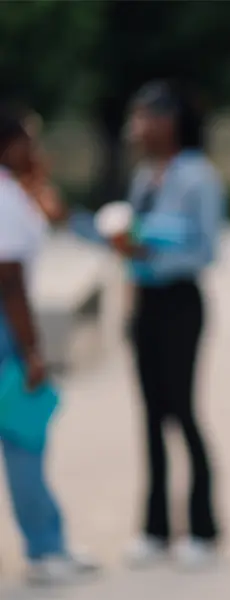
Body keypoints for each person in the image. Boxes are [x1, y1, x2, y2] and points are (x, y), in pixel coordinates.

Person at [70, 80, 225, 569]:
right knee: (152, 416)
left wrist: (145, 253)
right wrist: (81, 225)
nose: (134, 127)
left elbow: (205, 250)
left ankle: (202, 528)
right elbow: (127, 239)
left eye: (143, 117)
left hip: (180, 303)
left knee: (182, 410)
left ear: (169, 122)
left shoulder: (198, 177)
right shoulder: (145, 176)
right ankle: (155, 529)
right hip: (145, 306)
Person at [0, 107, 99, 585]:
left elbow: (50, 216)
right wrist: (33, 351)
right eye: (30, 141)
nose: (36, 150)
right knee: (25, 439)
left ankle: (49, 542)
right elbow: (10, 281)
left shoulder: (14, 192)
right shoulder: (4, 198)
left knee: (25, 437)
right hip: (7, 331)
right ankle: (44, 549)